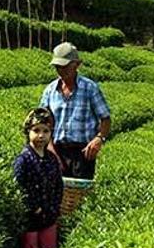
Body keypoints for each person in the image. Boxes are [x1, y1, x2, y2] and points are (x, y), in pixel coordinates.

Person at [39, 42, 111, 180]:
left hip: (83, 153)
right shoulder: (50, 90)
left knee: (79, 197)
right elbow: (43, 123)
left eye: (65, 66)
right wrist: (50, 149)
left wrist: (99, 138)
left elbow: (105, 118)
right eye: (58, 67)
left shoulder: (90, 88)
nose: (61, 70)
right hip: (56, 150)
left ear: (77, 64)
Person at [13, 107, 63, 248]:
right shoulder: (23, 159)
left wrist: (55, 206)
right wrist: (34, 208)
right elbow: (19, 187)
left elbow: (58, 185)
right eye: (36, 130)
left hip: (50, 216)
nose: (41, 135)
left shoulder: (52, 159)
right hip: (31, 219)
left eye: (45, 131)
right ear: (28, 132)